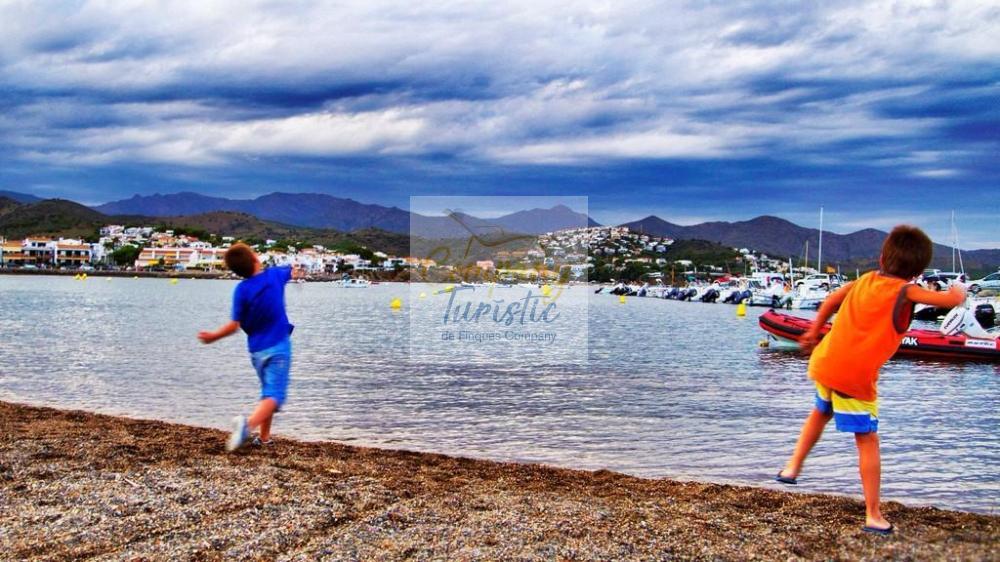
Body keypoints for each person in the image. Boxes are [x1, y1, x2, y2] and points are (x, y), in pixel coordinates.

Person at [775, 225, 966, 534]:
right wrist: (958, 293)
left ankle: (792, 467)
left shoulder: (863, 280)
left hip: (826, 362)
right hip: (855, 378)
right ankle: (873, 514)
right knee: (867, 440)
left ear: (881, 257)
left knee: (821, 412)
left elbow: (831, 300)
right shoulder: (905, 290)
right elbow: (946, 300)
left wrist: (814, 329)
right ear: (918, 271)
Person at [198, 243, 302, 452]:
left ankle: (264, 438)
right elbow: (291, 270)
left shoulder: (241, 290)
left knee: (267, 392)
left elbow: (234, 325)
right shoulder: (273, 276)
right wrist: (296, 270)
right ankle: (246, 428)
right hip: (279, 347)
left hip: (256, 351)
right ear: (256, 259)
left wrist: (213, 337)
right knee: (275, 395)